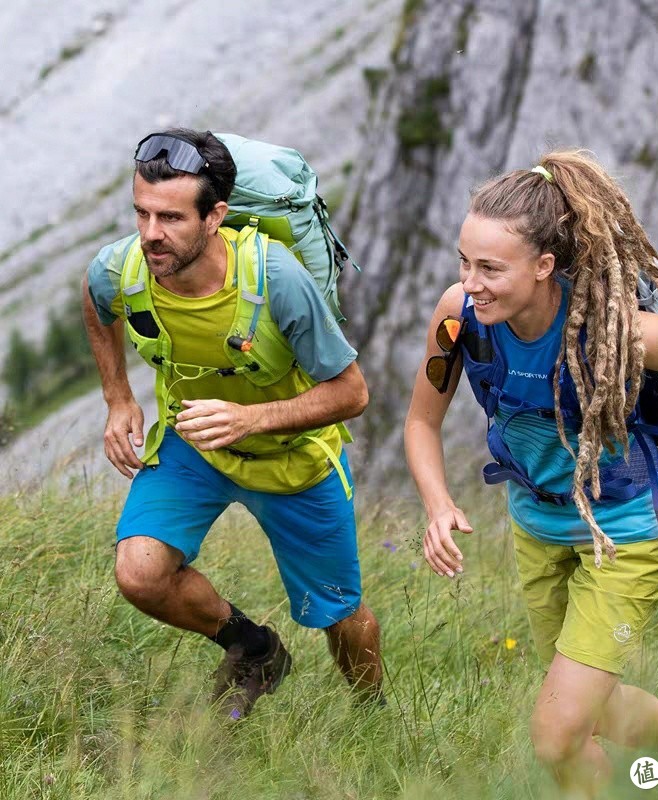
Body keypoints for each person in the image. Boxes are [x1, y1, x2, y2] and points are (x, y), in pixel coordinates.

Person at [404, 152, 658, 797]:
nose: (469, 282)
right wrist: (437, 504)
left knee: (558, 734)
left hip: (624, 534)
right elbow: (421, 423)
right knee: (587, 703)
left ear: (543, 267)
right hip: (537, 530)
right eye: (464, 261)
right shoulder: (458, 318)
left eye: (490, 268)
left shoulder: (619, 332)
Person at [82, 128, 382, 719]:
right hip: (196, 446)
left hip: (292, 461)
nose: (150, 234)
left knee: (341, 617)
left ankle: (374, 719)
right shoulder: (121, 267)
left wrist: (252, 418)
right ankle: (255, 649)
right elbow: (96, 305)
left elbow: (352, 393)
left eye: (170, 218)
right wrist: (118, 397)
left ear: (215, 215)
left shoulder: (277, 280)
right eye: (140, 213)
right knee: (140, 573)